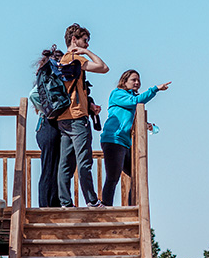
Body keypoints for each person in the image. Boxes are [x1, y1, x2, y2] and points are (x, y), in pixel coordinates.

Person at [56, 23, 109, 207]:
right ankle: (92, 201)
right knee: (84, 161)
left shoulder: (61, 60)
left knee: (65, 163)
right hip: (77, 117)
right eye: (85, 40)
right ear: (74, 40)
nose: (87, 44)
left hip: (63, 117)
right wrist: (86, 52)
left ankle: (65, 202)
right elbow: (103, 67)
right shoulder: (76, 59)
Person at [100, 70, 170, 206]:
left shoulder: (130, 98)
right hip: (113, 140)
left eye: (138, 80)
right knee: (113, 177)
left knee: (136, 173)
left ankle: (132, 205)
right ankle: (106, 206)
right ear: (124, 81)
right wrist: (155, 89)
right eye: (133, 80)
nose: (137, 82)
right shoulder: (117, 94)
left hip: (125, 142)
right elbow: (135, 101)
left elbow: (128, 118)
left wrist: (145, 124)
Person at [30, 46, 63, 207]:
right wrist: (49, 111)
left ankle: (54, 202)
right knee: (49, 166)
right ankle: (45, 205)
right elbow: (33, 95)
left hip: (52, 126)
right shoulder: (48, 79)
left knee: (57, 165)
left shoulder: (50, 79)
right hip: (48, 125)